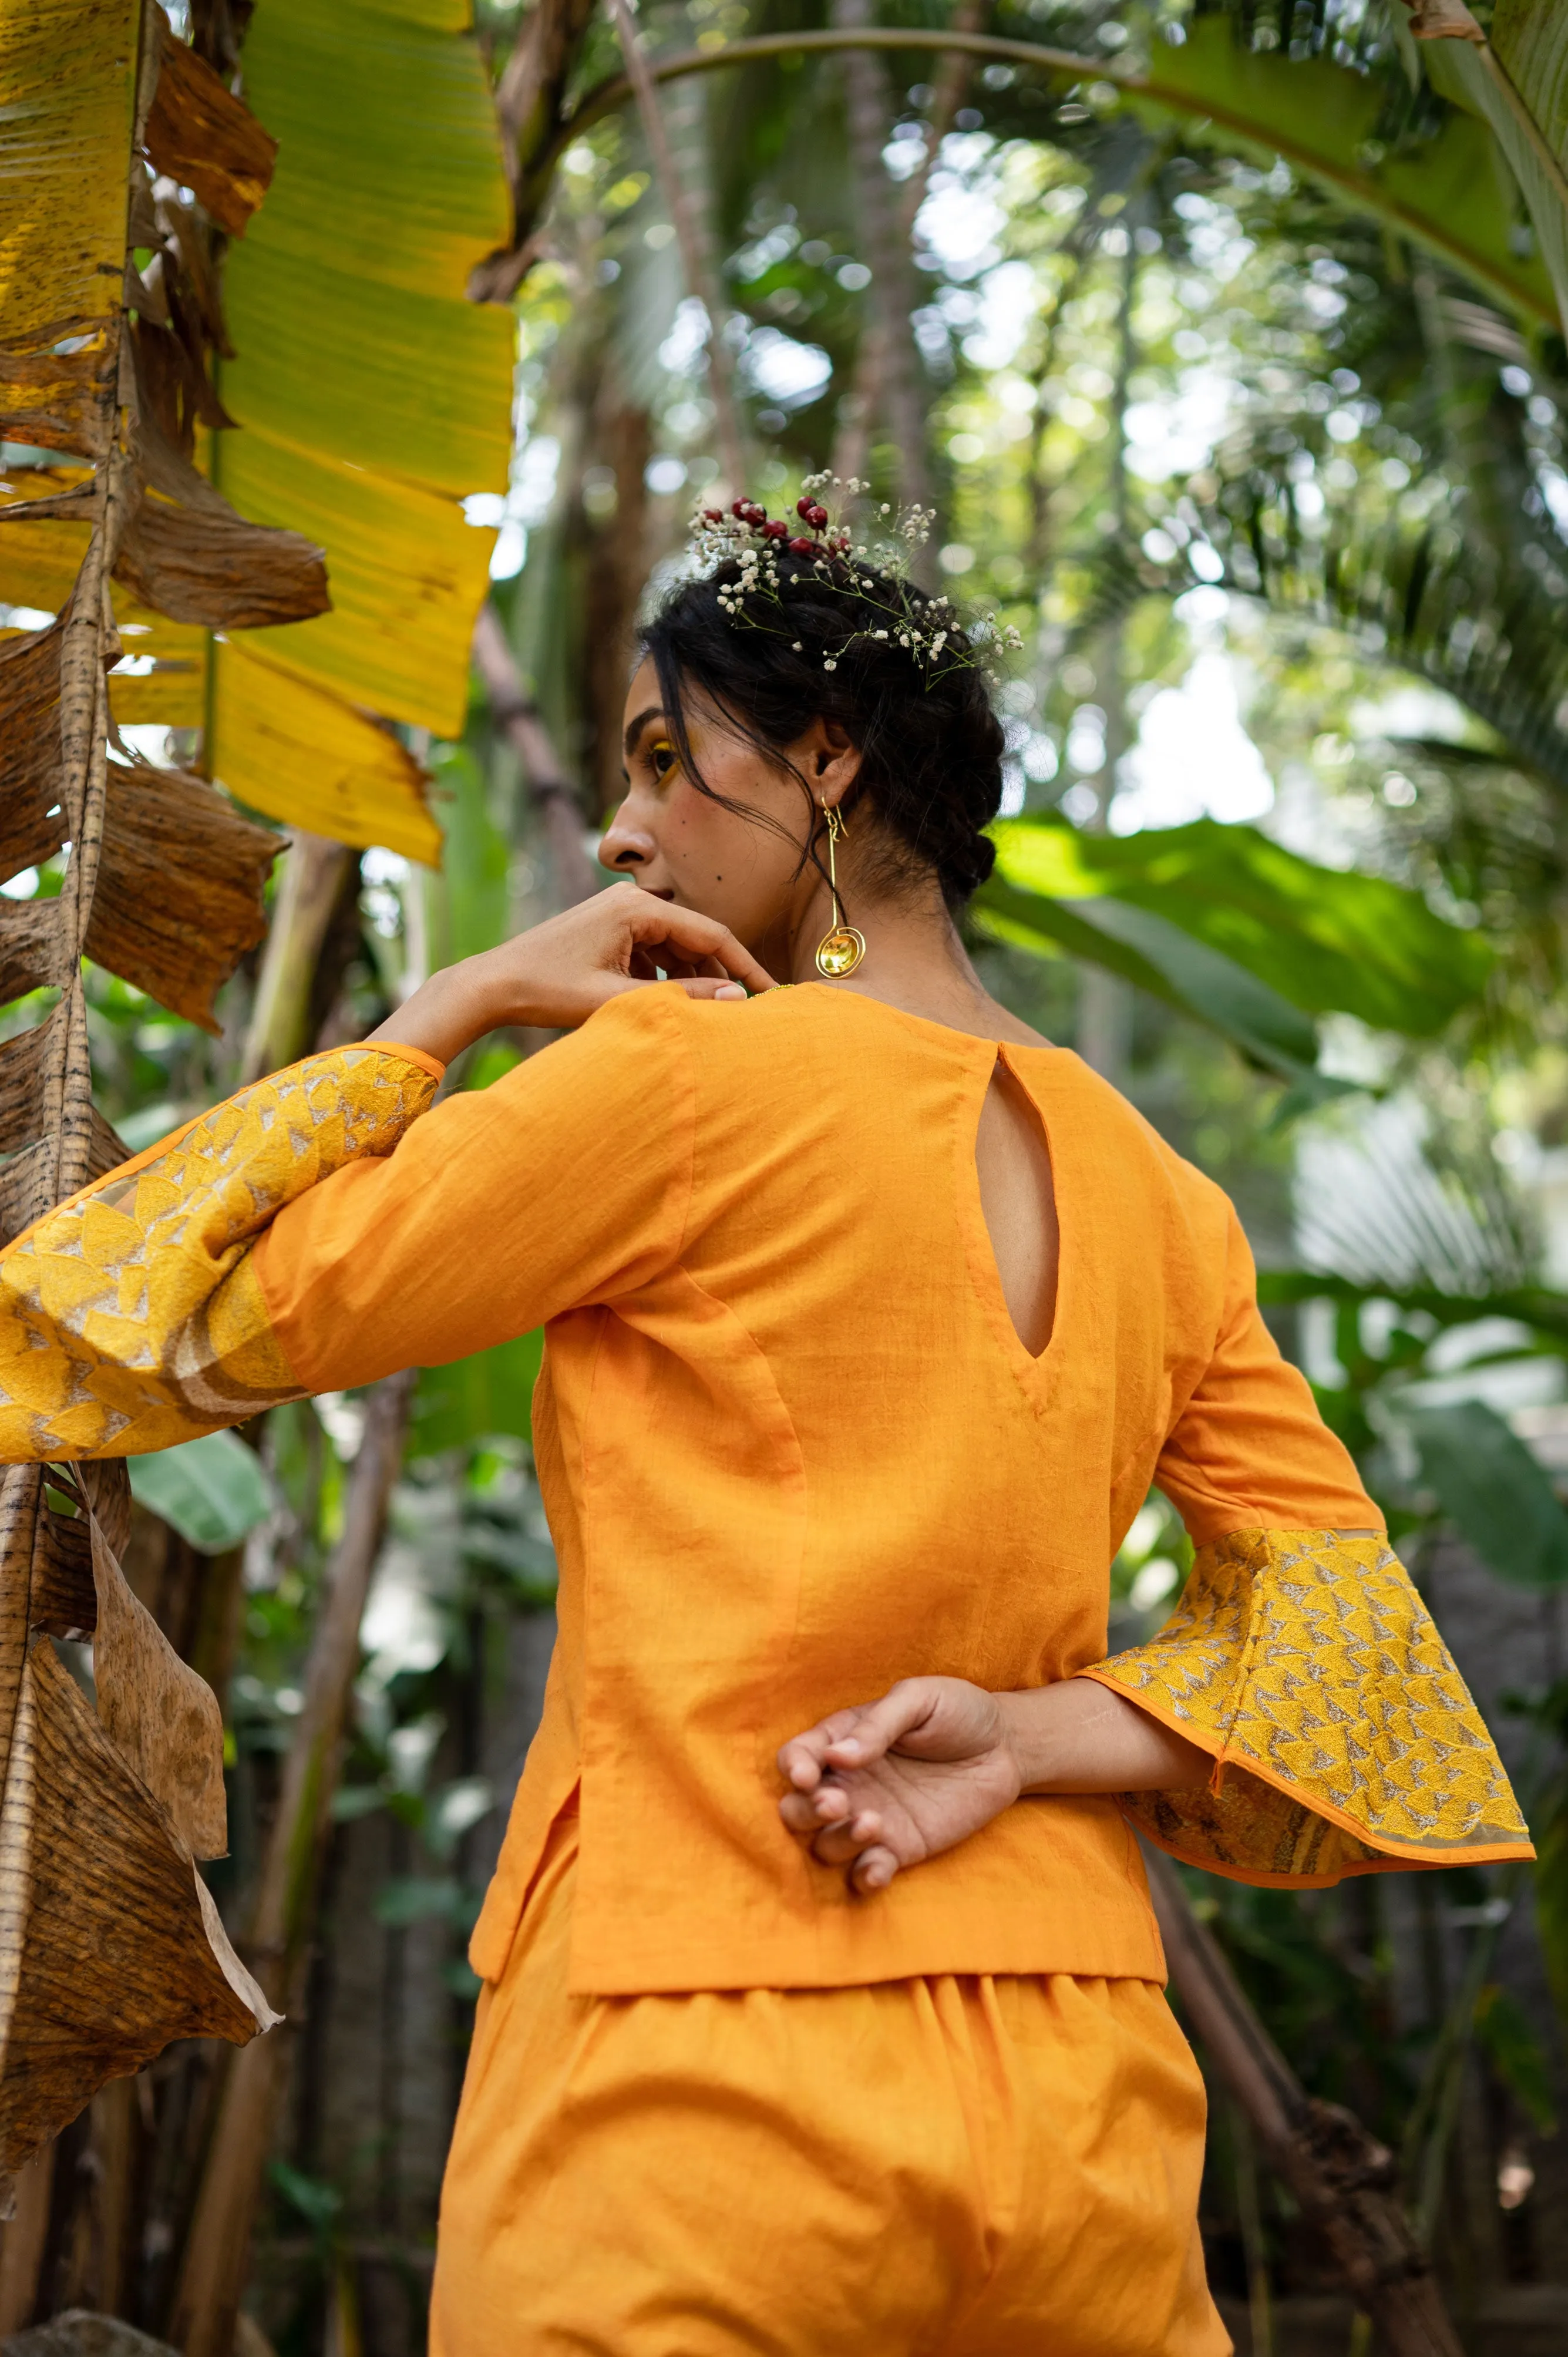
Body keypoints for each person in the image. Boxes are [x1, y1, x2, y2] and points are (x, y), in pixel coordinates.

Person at [0, 498, 1531, 2355]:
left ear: (825, 756)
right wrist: (1033, 1733)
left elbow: (157, 1315)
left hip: (693, 2059)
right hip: (1084, 2106)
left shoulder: (676, 1082)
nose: (624, 830)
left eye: (666, 758)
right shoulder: (1165, 1195)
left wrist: (461, 998)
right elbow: (1355, 1661)